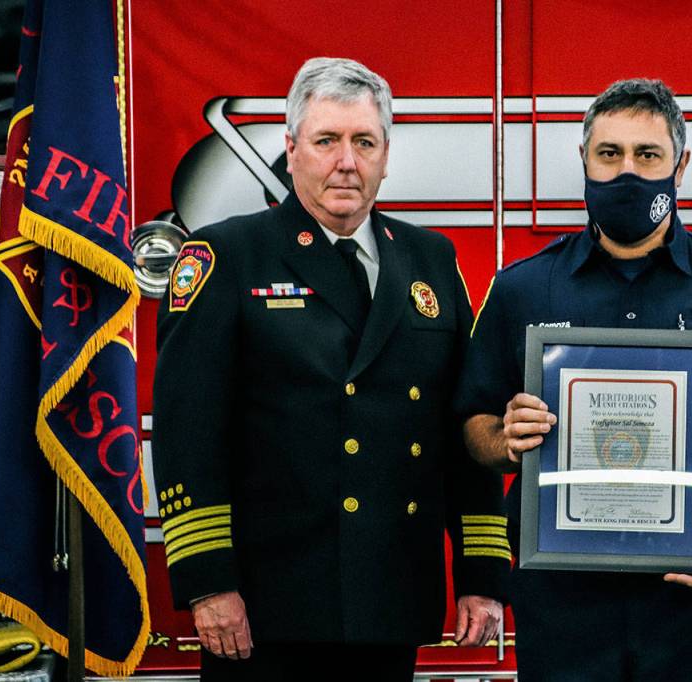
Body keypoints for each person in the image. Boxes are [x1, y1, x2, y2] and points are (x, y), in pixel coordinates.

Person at [456, 78, 692, 681]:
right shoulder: (522, 289)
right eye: (609, 154)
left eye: (647, 155)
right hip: (565, 609)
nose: (626, 173)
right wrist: (505, 439)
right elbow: (474, 426)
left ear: (680, 166)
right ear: (583, 160)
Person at [152, 57, 508, 681]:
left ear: (386, 156)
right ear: (291, 151)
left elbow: (463, 429)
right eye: (326, 141)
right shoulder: (228, 255)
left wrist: (482, 573)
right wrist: (209, 583)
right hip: (266, 605)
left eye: (364, 142)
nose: (347, 161)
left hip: (390, 597)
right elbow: (188, 432)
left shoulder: (430, 259)